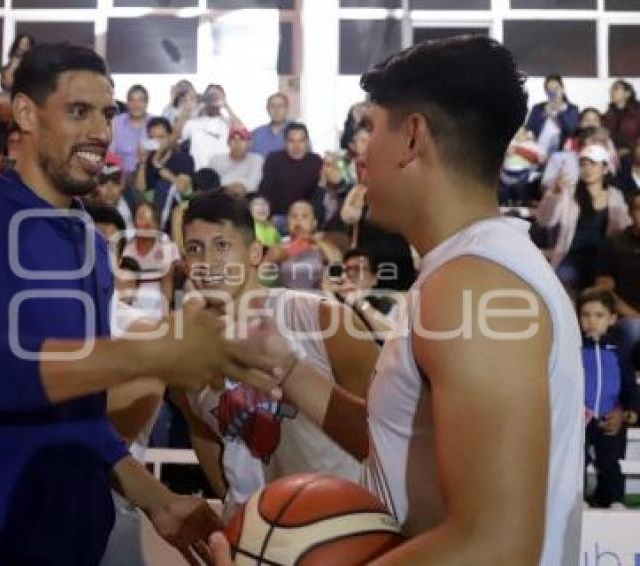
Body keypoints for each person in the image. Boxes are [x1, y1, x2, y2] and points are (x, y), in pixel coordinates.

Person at [0, 43, 282, 565]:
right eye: (79, 112)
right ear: (27, 113)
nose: (101, 131)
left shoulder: (89, 243)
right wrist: (149, 352)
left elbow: (74, 413)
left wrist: (154, 498)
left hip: (70, 542)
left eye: (108, 113)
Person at [210, 35, 586, 565]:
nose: (360, 153)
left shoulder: (473, 286)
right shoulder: (470, 270)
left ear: (411, 137)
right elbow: (399, 444)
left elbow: (496, 544)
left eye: (370, 128)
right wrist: (286, 366)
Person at [174, 188, 377, 516]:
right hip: (252, 543)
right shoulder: (185, 357)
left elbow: (388, 428)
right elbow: (203, 432)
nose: (208, 262)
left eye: (222, 246)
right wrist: (234, 513)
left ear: (255, 253)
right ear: (185, 262)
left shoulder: (323, 320)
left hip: (338, 530)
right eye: (195, 249)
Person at [537, 143, 631, 295]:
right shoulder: (569, 193)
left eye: (592, 164)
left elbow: (624, 228)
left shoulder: (615, 196)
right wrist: (554, 194)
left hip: (603, 260)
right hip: (572, 257)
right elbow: (545, 221)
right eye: (583, 164)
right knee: (565, 278)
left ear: (605, 169)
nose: (587, 169)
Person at [579, 289, 639, 509]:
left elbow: (630, 385)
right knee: (578, 462)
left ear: (612, 318)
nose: (591, 321)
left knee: (610, 462)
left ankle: (613, 500)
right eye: (585, 315)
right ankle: (580, 499)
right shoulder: (573, 349)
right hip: (580, 420)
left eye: (599, 315)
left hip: (610, 417)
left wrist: (630, 410)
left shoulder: (620, 351)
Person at [596, 190, 640, 372]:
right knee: (634, 328)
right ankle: (628, 385)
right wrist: (634, 315)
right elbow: (604, 290)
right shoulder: (614, 244)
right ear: (630, 213)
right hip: (625, 317)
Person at [258, 122, 323, 235]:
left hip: (304, 217)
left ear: (307, 142)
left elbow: (318, 195)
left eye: (301, 141)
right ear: (284, 143)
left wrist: (310, 219)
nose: (297, 146)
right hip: (278, 216)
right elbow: (266, 191)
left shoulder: (316, 161)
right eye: (291, 141)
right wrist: (266, 218)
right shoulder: (273, 159)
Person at [121, 202, 180, 319]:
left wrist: (165, 317)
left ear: (157, 225)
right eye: (141, 218)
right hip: (131, 307)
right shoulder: (125, 249)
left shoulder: (167, 248)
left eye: (150, 220)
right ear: (134, 223)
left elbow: (167, 285)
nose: (145, 224)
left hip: (158, 307)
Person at [264, 200, 340, 290]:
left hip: (316, 298)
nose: (298, 220)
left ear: (314, 223)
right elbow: (263, 277)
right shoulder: (278, 247)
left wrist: (314, 240)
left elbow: (337, 261)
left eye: (304, 216)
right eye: (293, 216)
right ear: (287, 221)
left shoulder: (321, 248)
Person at [134, 116, 194, 225]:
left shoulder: (183, 158)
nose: (157, 142)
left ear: (170, 137)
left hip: (176, 208)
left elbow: (182, 187)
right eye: (152, 138)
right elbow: (140, 191)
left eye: (161, 137)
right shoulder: (146, 160)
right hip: (150, 207)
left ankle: (158, 225)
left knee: (164, 185)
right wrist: (142, 163)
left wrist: (158, 166)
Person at [180, 84, 242, 171]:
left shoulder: (228, 123)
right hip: (200, 173)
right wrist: (188, 107)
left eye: (216, 96)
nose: (212, 98)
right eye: (209, 96)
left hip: (224, 173)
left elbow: (243, 133)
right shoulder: (193, 122)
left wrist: (226, 106)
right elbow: (176, 136)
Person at [524, 74, 580, 159]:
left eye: (556, 88)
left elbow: (571, 131)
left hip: (560, 152)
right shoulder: (538, 108)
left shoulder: (571, 109)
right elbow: (529, 128)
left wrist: (557, 115)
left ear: (562, 89)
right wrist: (544, 114)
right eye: (549, 89)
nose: (553, 92)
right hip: (538, 150)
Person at [109, 84, 152, 176]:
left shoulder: (154, 122)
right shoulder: (116, 122)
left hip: (147, 173)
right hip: (119, 173)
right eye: (132, 100)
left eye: (141, 100)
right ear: (127, 103)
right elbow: (110, 152)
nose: (136, 105)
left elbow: (162, 145)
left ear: (146, 103)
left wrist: (146, 146)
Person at [209, 126, 263, 197]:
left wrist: (226, 183)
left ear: (249, 143)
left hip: (248, 198)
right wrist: (241, 184)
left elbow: (254, 184)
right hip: (222, 198)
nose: (238, 143)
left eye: (242, 139)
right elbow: (213, 185)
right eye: (234, 139)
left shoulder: (257, 159)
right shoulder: (216, 160)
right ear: (228, 143)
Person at [602, 79, 640, 167]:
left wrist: (629, 149)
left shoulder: (637, 113)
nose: (611, 92)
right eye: (610, 90)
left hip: (634, 157)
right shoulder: (607, 115)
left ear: (628, 93)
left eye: (616, 89)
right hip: (613, 158)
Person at [250, 93, 289, 158]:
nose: (277, 110)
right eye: (273, 106)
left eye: (281, 106)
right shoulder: (256, 133)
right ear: (267, 109)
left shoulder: (297, 134)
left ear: (287, 109)